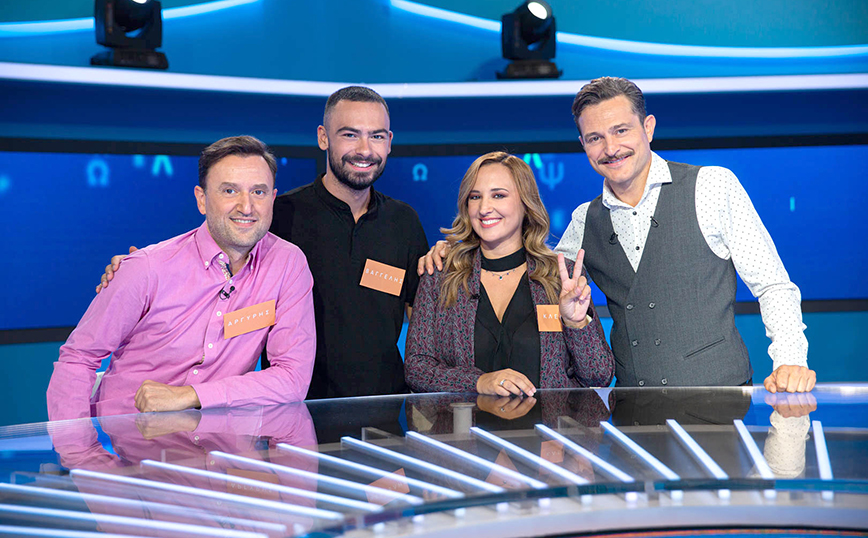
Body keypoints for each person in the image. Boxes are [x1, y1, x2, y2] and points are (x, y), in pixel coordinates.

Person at [420, 77, 815, 394]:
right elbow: (531, 261)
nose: (610, 148)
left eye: (621, 130)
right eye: (595, 138)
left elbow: (773, 285)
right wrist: (456, 249)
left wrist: (790, 360)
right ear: (583, 145)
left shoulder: (712, 186)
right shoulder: (583, 221)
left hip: (720, 399)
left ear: (648, 127)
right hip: (634, 409)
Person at [98, 87, 429, 400]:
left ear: (389, 142)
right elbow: (206, 261)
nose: (365, 150)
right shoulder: (277, 215)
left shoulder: (404, 222)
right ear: (323, 137)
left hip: (387, 411)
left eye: (377, 136)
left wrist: (446, 256)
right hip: (293, 410)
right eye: (350, 134)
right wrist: (136, 271)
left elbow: (425, 318)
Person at [48, 136, 316, 420]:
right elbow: (78, 359)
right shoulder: (146, 268)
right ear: (202, 200)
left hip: (216, 439)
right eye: (229, 191)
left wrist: (190, 395)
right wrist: (79, 447)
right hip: (126, 436)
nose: (246, 207)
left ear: (272, 199)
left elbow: (292, 379)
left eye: (258, 192)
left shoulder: (287, 264)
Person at [404, 152, 614, 397]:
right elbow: (417, 369)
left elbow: (599, 376)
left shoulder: (559, 277)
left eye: (498, 195)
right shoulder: (440, 276)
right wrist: (478, 382)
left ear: (525, 203)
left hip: (547, 423)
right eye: (475, 197)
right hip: (466, 423)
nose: (484, 208)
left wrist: (576, 324)